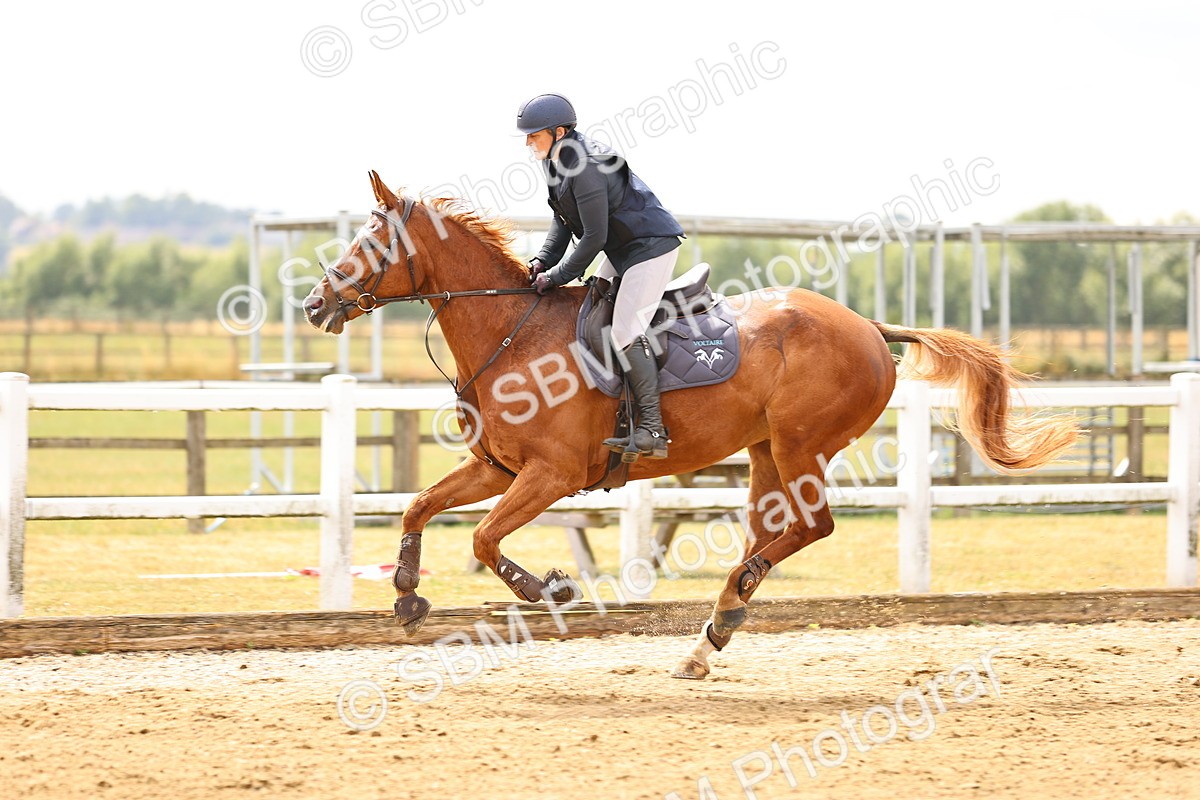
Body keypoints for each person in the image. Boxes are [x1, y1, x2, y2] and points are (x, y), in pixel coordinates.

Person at [517, 93, 685, 460]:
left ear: (559, 131)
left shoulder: (586, 165)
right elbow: (563, 220)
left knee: (625, 331)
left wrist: (559, 277)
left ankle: (653, 428)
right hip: (622, 249)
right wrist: (542, 261)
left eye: (534, 135)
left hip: (650, 247)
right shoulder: (556, 161)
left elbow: (594, 237)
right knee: (592, 315)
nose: (529, 142)